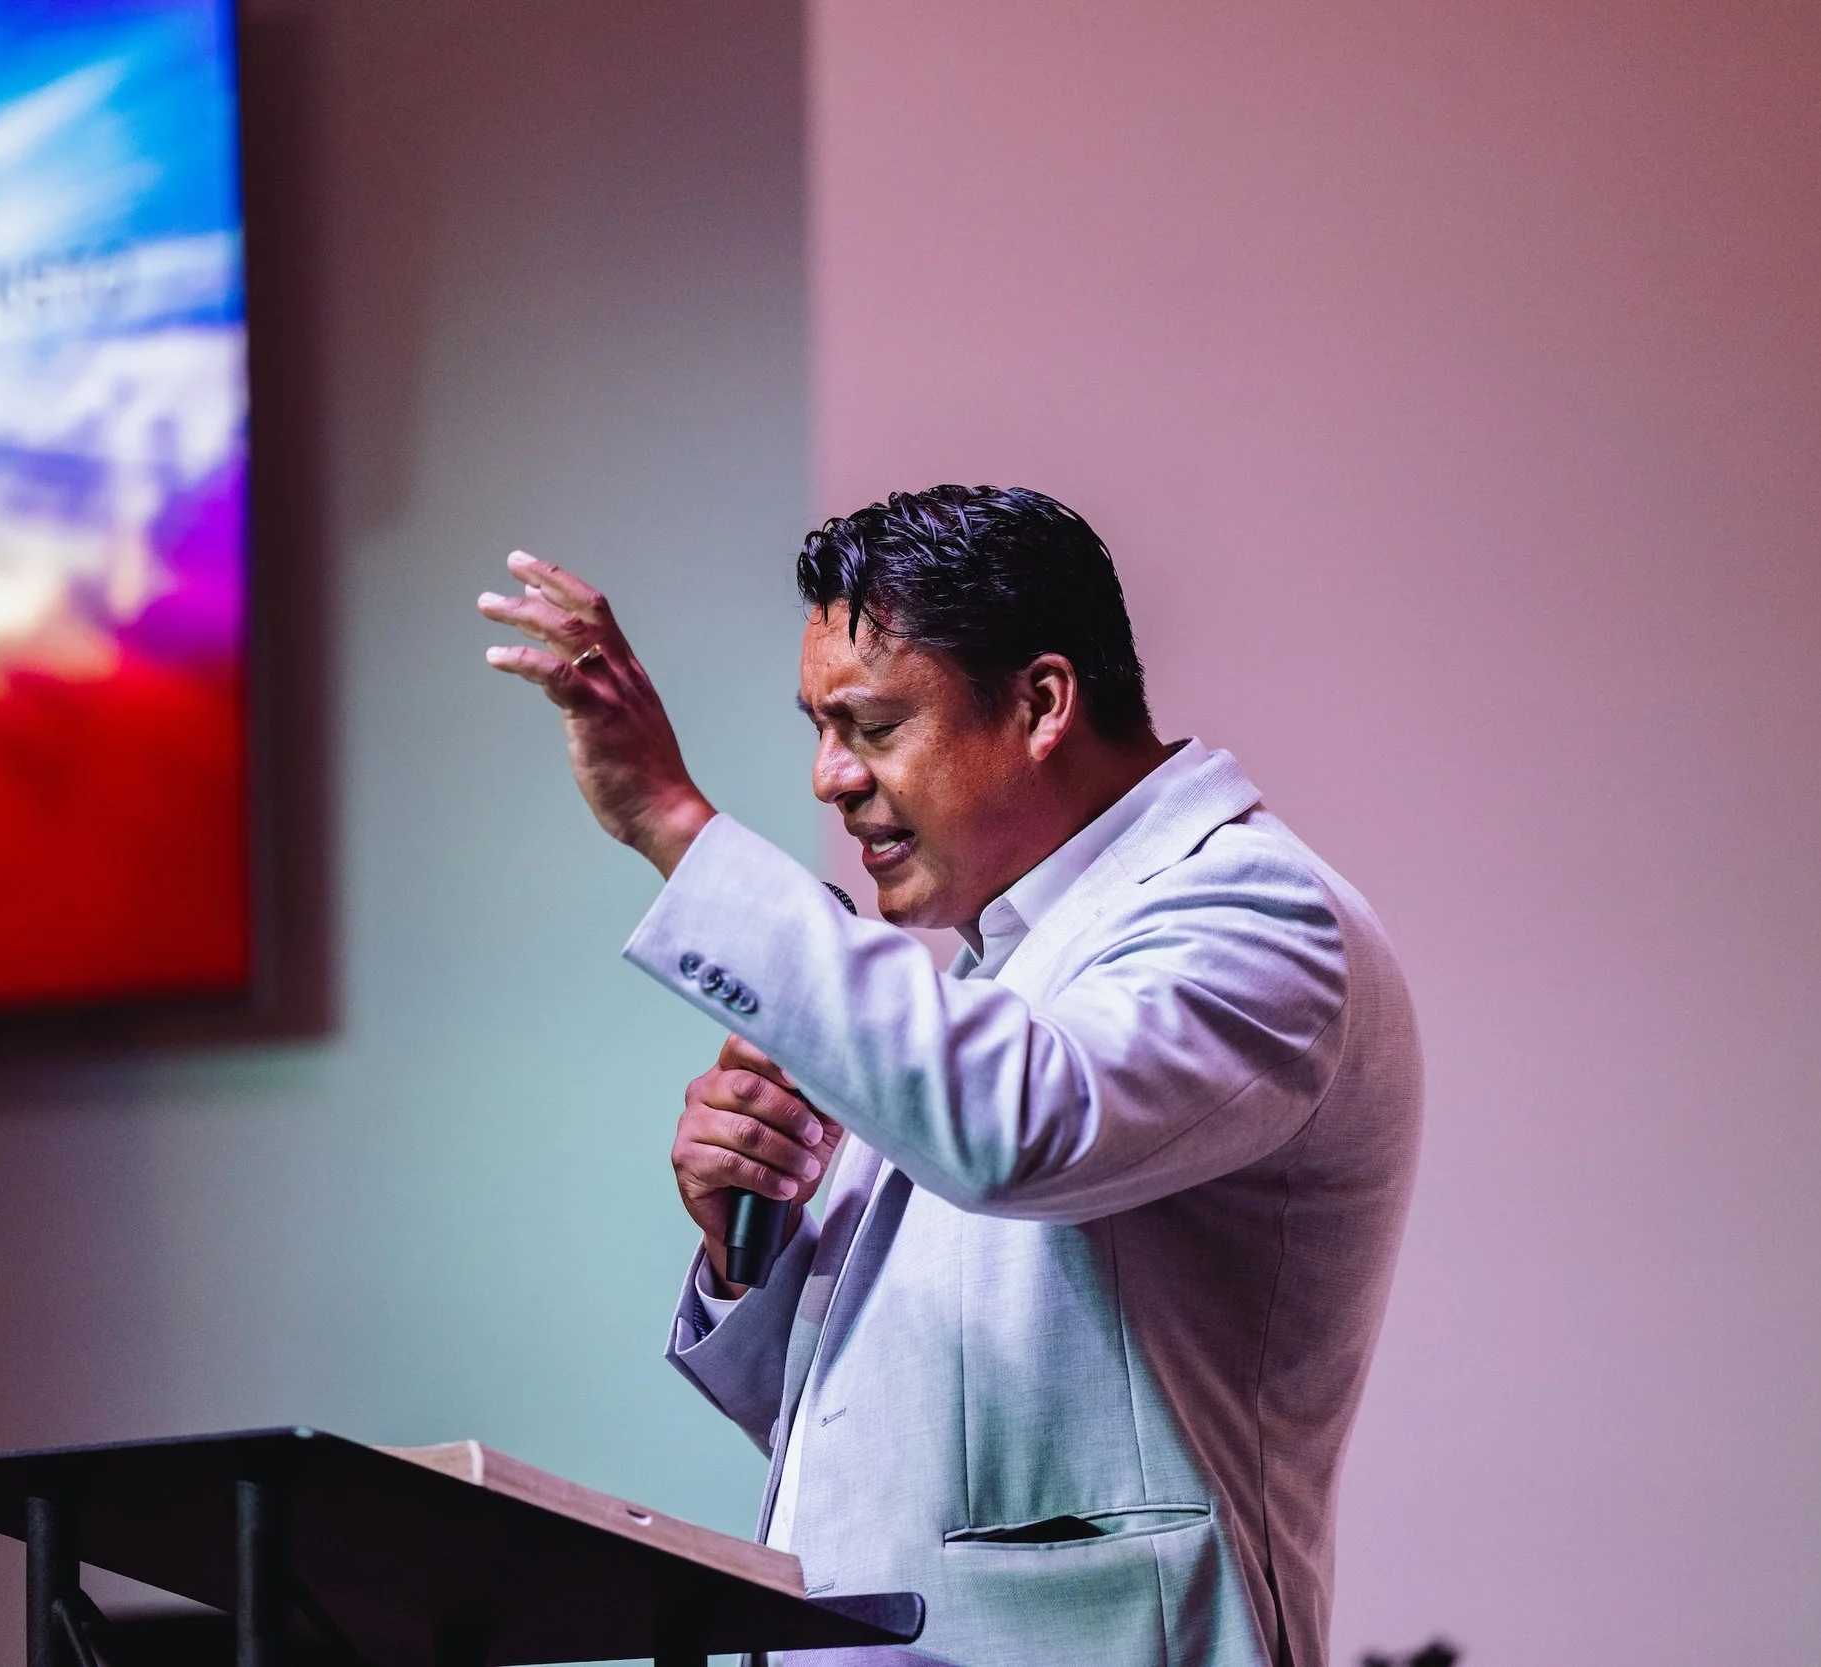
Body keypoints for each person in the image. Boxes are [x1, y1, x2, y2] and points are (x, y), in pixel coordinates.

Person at [478, 486, 1421, 1667]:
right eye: (819, 729)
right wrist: (751, 1247)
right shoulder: (993, 967)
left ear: (1040, 703)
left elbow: (1016, 1134)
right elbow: (872, 1434)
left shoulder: (1255, 910)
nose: (829, 777)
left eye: (871, 725)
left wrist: (672, 819)